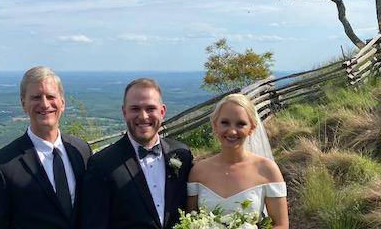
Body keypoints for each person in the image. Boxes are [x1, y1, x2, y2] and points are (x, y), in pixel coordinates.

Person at [0, 66, 92, 229]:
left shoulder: (81, 150)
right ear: (24, 104)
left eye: (51, 96)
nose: (45, 104)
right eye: (36, 97)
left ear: (62, 103)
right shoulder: (1, 165)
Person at [80, 78, 193, 229]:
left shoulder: (182, 155)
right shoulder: (102, 164)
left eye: (150, 108)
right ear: (124, 112)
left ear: (162, 111)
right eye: (135, 109)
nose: (143, 116)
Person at [187, 94, 289, 229]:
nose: (232, 131)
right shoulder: (198, 172)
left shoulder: (267, 170)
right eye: (225, 123)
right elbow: (190, 220)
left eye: (241, 124)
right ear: (215, 125)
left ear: (251, 128)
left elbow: (280, 225)